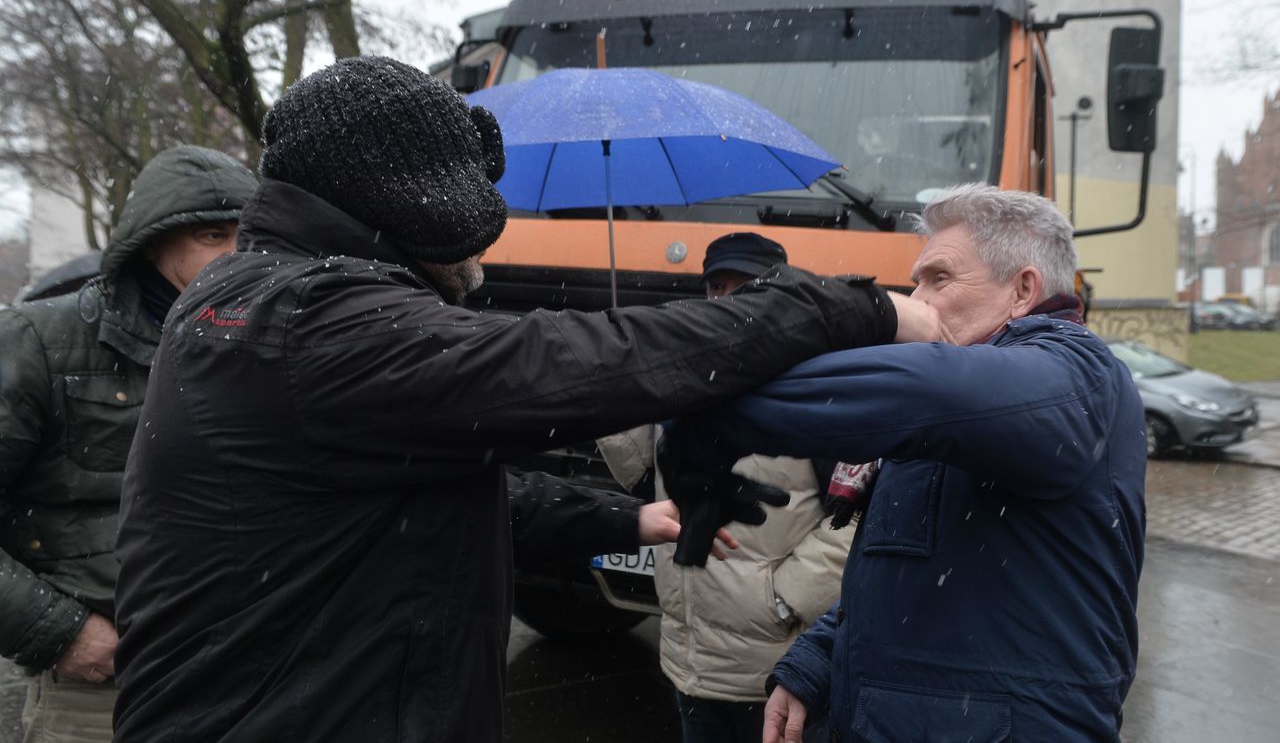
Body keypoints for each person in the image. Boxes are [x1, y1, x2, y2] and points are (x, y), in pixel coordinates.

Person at [108, 56, 941, 741]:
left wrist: (619, 519)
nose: (489, 242)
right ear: (412, 198)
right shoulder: (310, 320)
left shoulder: (257, 297)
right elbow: (565, 359)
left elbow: (424, 497)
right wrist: (849, 307)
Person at [668, 184, 1146, 742]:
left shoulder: (1077, 372)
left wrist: (709, 402)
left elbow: (933, 391)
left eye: (938, 279)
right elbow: (894, 577)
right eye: (916, 280)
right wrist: (815, 665)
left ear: (1023, 290)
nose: (914, 300)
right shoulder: (946, 412)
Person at [0, 146, 258, 741]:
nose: (237, 256)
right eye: (213, 236)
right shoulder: (41, 343)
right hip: (103, 690)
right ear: (151, 241)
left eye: (250, 237)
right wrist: (62, 632)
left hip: (246, 683)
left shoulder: (270, 343)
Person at [599, 231, 854, 743]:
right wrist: (612, 394)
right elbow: (646, 482)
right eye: (717, 287)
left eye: (745, 286)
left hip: (778, 671)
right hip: (689, 661)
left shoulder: (817, 387)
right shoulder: (684, 376)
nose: (727, 300)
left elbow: (854, 520)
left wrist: (781, 600)